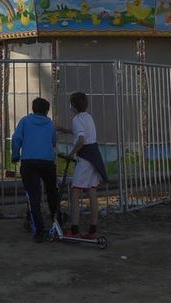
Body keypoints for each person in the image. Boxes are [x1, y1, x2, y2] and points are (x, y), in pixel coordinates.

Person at [11, 96, 58, 243]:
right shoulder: (49, 123)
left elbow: (16, 138)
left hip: (29, 162)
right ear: (47, 111)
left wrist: (15, 154)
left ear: (33, 109)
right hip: (47, 162)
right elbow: (53, 141)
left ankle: (38, 229)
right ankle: (57, 220)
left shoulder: (25, 121)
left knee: (33, 196)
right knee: (52, 191)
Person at [64, 91, 108, 240]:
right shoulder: (88, 117)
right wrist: (66, 130)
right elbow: (84, 133)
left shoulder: (76, 119)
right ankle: (93, 229)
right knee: (91, 191)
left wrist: (71, 153)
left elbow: (81, 139)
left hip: (84, 158)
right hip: (94, 156)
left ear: (73, 105)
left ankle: (74, 229)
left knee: (75, 192)